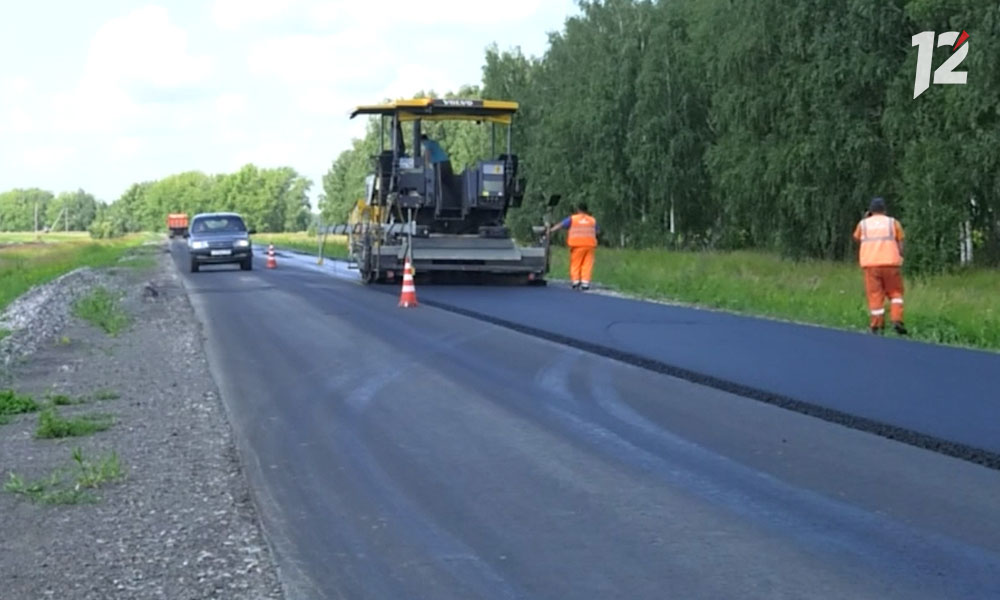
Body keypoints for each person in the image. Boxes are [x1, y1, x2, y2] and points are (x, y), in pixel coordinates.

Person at [853, 196, 908, 335]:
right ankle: (897, 319)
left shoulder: (863, 224)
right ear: (884, 210)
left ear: (870, 211)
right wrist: (900, 255)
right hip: (891, 264)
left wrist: (866, 218)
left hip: (871, 264)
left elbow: (857, 238)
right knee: (895, 293)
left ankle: (876, 325)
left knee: (875, 295)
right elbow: (901, 242)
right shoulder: (893, 223)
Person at [549, 202, 599, 290]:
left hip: (577, 245)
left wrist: (550, 230)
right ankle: (585, 283)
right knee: (587, 265)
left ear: (578, 209)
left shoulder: (573, 219)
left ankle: (576, 282)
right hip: (590, 245)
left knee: (576, 264)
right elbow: (597, 231)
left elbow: (561, 225)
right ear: (586, 210)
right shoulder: (592, 220)